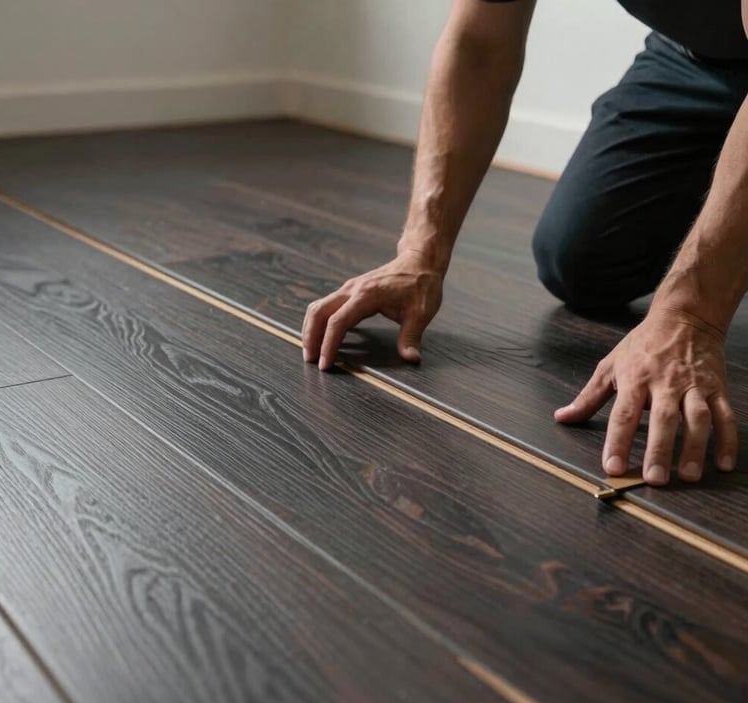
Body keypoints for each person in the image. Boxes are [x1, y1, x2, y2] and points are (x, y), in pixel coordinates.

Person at [302, 0, 748, 487]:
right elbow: (479, 42)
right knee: (582, 259)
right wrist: (419, 253)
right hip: (691, 62)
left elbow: (689, 313)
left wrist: (690, 314)